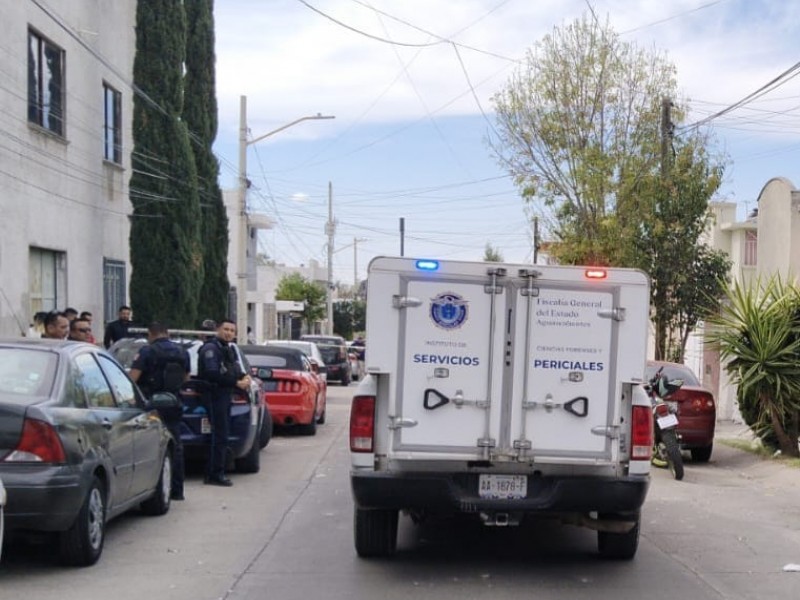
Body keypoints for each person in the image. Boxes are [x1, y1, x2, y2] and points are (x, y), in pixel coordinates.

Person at [129, 322, 190, 501]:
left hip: (151, 405)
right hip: (173, 404)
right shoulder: (182, 352)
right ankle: (177, 490)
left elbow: (132, 379)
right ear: (167, 333)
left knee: (149, 447)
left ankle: (150, 491)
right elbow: (186, 379)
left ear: (150, 334)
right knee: (175, 447)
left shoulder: (147, 351)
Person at [197, 319, 252, 487]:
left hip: (224, 395)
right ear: (218, 330)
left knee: (222, 435)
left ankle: (216, 471)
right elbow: (212, 374)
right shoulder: (211, 349)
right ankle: (215, 474)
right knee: (219, 435)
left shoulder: (227, 348)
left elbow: (234, 369)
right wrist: (236, 383)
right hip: (214, 395)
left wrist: (244, 376)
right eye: (226, 329)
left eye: (232, 331)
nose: (229, 333)